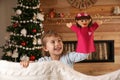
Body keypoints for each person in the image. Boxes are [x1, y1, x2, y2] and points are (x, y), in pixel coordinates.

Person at [20, 30, 91, 68]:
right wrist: (26, 63)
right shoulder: (44, 61)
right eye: (53, 42)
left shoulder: (68, 57)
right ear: (45, 48)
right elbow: (33, 65)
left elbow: (83, 55)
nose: (57, 44)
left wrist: (86, 41)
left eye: (59, 41)